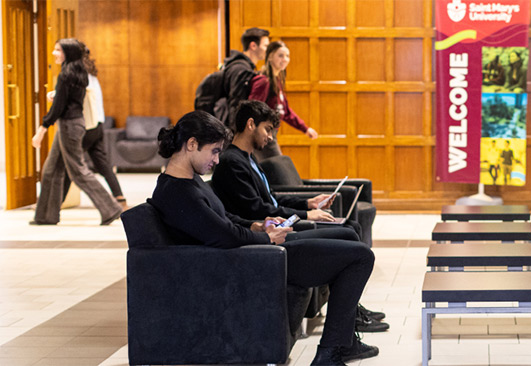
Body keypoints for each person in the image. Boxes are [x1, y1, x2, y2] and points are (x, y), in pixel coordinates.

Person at [150, 110, 379, 365]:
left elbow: (225, 219)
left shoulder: (189, 183)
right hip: (254, 262)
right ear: (191, 144)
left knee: (348, 238)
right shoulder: (178, 193)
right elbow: (225, 236)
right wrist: (267, 239)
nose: (217, 160)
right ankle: (331, 351)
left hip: (254, 253)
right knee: (360, 257)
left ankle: (341, 343)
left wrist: (258, 226)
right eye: (214, 151)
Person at [211, 101, 390, 332]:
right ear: (250, 124)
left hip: (275, 223)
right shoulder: (231, 162)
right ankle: (350, 315)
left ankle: (351, 311)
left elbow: (273, 199)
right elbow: (257, 209)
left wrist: (308, 202)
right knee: (348, 233)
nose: (270, 137)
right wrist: (305, 214)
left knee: (351, 227)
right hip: (267, 232)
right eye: (267, 129)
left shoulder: (249, 158)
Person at [31, 38, 122, 226]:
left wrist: (42, 129)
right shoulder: (77, 72)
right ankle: (46, 216)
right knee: (51, 169)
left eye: (58, 50)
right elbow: (67, 98)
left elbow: (58, 107)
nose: (54, 53)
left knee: (78, 172)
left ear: (68, 53)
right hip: (73, 123)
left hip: (69, 126)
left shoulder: (66, 74)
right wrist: (56, 95)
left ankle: (111, 209)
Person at [56, 43, 128, 210]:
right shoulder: (90, 73)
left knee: (71, 165)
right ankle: (120, 199)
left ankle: (57, 203)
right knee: (102, 164)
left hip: (86, 125)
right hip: (97, 124)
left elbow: (75, 100)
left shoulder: (77, 74)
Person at [248, 40, 318, 160]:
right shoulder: (264, 81)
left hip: (271, 134)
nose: (285, 59)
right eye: (280, 55)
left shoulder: (276, 81)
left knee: (274, 171)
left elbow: (285, 111)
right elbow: (252, 109)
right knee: (278, 170)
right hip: (263, 134)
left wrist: (305, 129)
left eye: (287, 56)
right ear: (270, 57)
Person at [220, 27, 270, 127]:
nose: (268, 50)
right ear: (253, 45)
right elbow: (236, 104)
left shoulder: (244, 67)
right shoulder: (241, 69)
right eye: (265, 46)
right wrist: (236, 136)